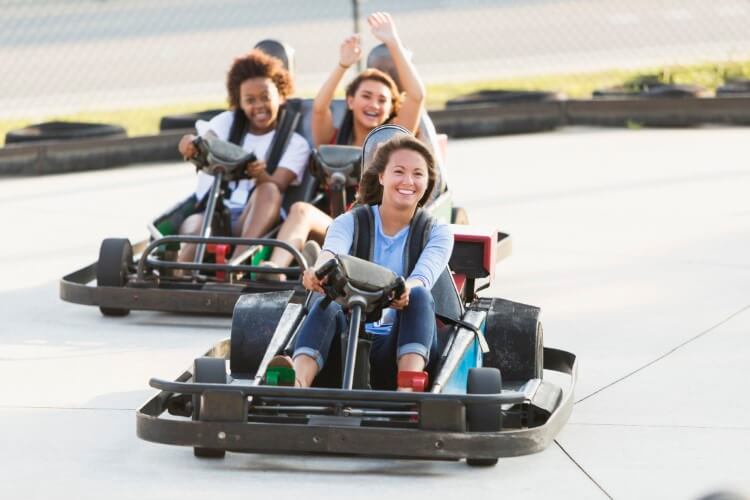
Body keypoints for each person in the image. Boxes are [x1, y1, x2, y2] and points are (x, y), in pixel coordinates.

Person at [273, 134, 453, 391]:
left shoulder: (437, 232)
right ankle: (298, 383)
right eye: (399, 171)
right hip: (347, 342)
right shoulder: (350, 222)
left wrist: (402, 291)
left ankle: (408, 390)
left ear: (428, 183)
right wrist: (317, 272)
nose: (408, 181)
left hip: (399, 344)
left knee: (420, 296)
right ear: (381, 176)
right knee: (327, 303)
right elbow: (330, 254)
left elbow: (423, 277)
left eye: (417, 174)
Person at [262, 11, 426, 275]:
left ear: (390, 108)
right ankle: (276, 270)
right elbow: (318, 107)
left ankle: (322, 261)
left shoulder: (394, 141)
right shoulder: (335, 136)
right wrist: (343, 65)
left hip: (375, 228)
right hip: (336, 225)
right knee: (301, 210)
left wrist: (393, 43)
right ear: (350, 101)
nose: (373, 104)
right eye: (366, 96)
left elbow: (416, 96)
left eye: (382, 100)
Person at [176, 49, 310, 263]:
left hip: (252, 218)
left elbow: (279, 185)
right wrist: (189, 143)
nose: (258, 106)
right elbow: (203, 138)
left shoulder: (295, 143)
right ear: (239, 102)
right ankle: (178, 274)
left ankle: (237, 263)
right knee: (195, 231)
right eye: (250, 100)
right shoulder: (227, 122)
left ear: (281, 96)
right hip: (214, 213)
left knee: (269, 189)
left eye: (265, 98)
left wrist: (260, 175)